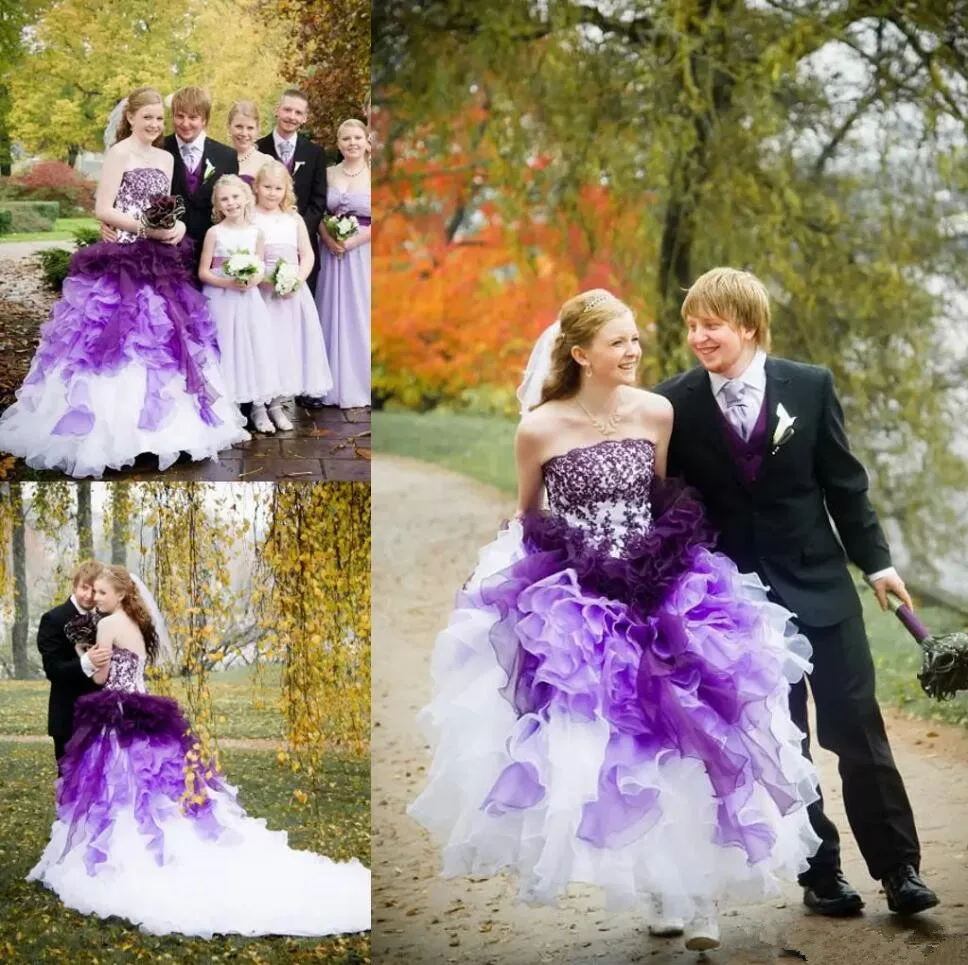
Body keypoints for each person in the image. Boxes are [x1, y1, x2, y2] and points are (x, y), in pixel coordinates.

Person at [409, 289, 822, 953]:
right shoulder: (539, 427)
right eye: (618, 343)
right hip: (580, 597)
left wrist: (656, 558)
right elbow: (528, 513)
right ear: (580, 354)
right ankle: (662, 885)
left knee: (693, 731)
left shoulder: (656, 413)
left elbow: (659, 495)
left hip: (662, 585)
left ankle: (701, 896)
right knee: (622, 748)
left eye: (635, 339)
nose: (634, 351)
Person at [654, 266, 938, 918]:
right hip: (742, 609)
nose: (698, 336)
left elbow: (845, 485)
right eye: (691, 325)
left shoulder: (809, 388)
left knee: (858, 734)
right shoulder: (676, 404)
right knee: (785, 745)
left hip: (823, 592)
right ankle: (822, 873)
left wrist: (876, 563)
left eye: (711, 324)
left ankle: (900, 871)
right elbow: (671, 507)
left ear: (748, 325)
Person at [28, 565, 371, 937]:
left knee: (118, 785)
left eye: (103, 594)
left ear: (121, 595)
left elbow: (98, 677)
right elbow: (135, 669)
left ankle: (119, 855)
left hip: (117, 711)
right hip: (142, 706)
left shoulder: (109, 625)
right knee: (153, 783)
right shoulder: (138, 624)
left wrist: (84, 650)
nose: (96, 599)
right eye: (93, 592)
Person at [0, 87, 249, 478]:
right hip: (123, 258)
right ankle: (111, 431)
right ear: (129, 117)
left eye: (157, 118)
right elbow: (103, 207)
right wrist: (142, 228)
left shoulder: (166, 158)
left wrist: (175, 227)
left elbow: (168, 208)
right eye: (146, 117)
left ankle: (162, 432)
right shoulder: (119, 154)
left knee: (160, 338)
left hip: (160, 259)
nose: (153, 124)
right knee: (115, 337)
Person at [252, 160, 333, 431]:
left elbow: (307, 254)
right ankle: (258, 407)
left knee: (284, 347)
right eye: (267, 187)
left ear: (287, 189)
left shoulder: (294, 218)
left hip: (292, 294)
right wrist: (267, 280)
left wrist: (297, 280)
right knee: (263, 346)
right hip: (263, 292)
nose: (272, 193)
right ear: (257, 187)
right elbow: (249, 256)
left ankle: (276, 404)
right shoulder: (251, 216)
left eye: (278, 188)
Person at [199, 175, 279, 434]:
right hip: (221, 298)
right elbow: (204, 272)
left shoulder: (256, 232)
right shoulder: (215, 233)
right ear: (218, 205)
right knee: (226, 348)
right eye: (224, 199)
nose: (231, 203)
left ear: (246, 198)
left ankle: (258, 407)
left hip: (247, 300)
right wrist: (229, 283)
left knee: (252, 347)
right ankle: (227, 409)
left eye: (235, 197)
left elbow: (260, 266)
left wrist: (253, 279)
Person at [315, 119, 371, 410]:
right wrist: (328, 238)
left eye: (357, 138)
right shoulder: (327, 173)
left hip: (361, 253)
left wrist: (351, 242)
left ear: (366, 141)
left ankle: (359, 382)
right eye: (346, 138)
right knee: (330, 310)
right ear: (338, 143)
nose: (352, 143)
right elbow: (318, 210)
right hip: (331, 252)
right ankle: (328, 383)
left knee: (358, 313)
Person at [36, 560, 109, 768]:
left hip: (100, 715)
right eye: (84, 588)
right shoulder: (53, 619)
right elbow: (53, 670)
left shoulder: (105, 619)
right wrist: (86, 662)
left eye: (95, 590)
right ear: (75, 585)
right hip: (68, 718)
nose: (88, 595)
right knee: (70, 784)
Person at [256, 88, 328, 298]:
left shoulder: (315, 153)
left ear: (305, 118)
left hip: (301, 243)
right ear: (277, 110)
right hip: (264, 245)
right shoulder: (258, 148)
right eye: (287, 110)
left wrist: (295, 233)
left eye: (298, 113)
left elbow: (318, 201)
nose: (291, 116)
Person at [164, 86, 239, 270]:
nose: (185, 123)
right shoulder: (160, 149)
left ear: (205, 119)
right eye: (180, 116)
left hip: (210, 255)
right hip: (167, 252)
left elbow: (231, 207)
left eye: (193, 117)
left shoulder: (226, 156)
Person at [226, 100, 274, 188]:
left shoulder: (266, 162)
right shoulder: (218, 158)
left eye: (250, 128)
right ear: (229, 127)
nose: (244, 133)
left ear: (257, 130)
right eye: (239, 126)